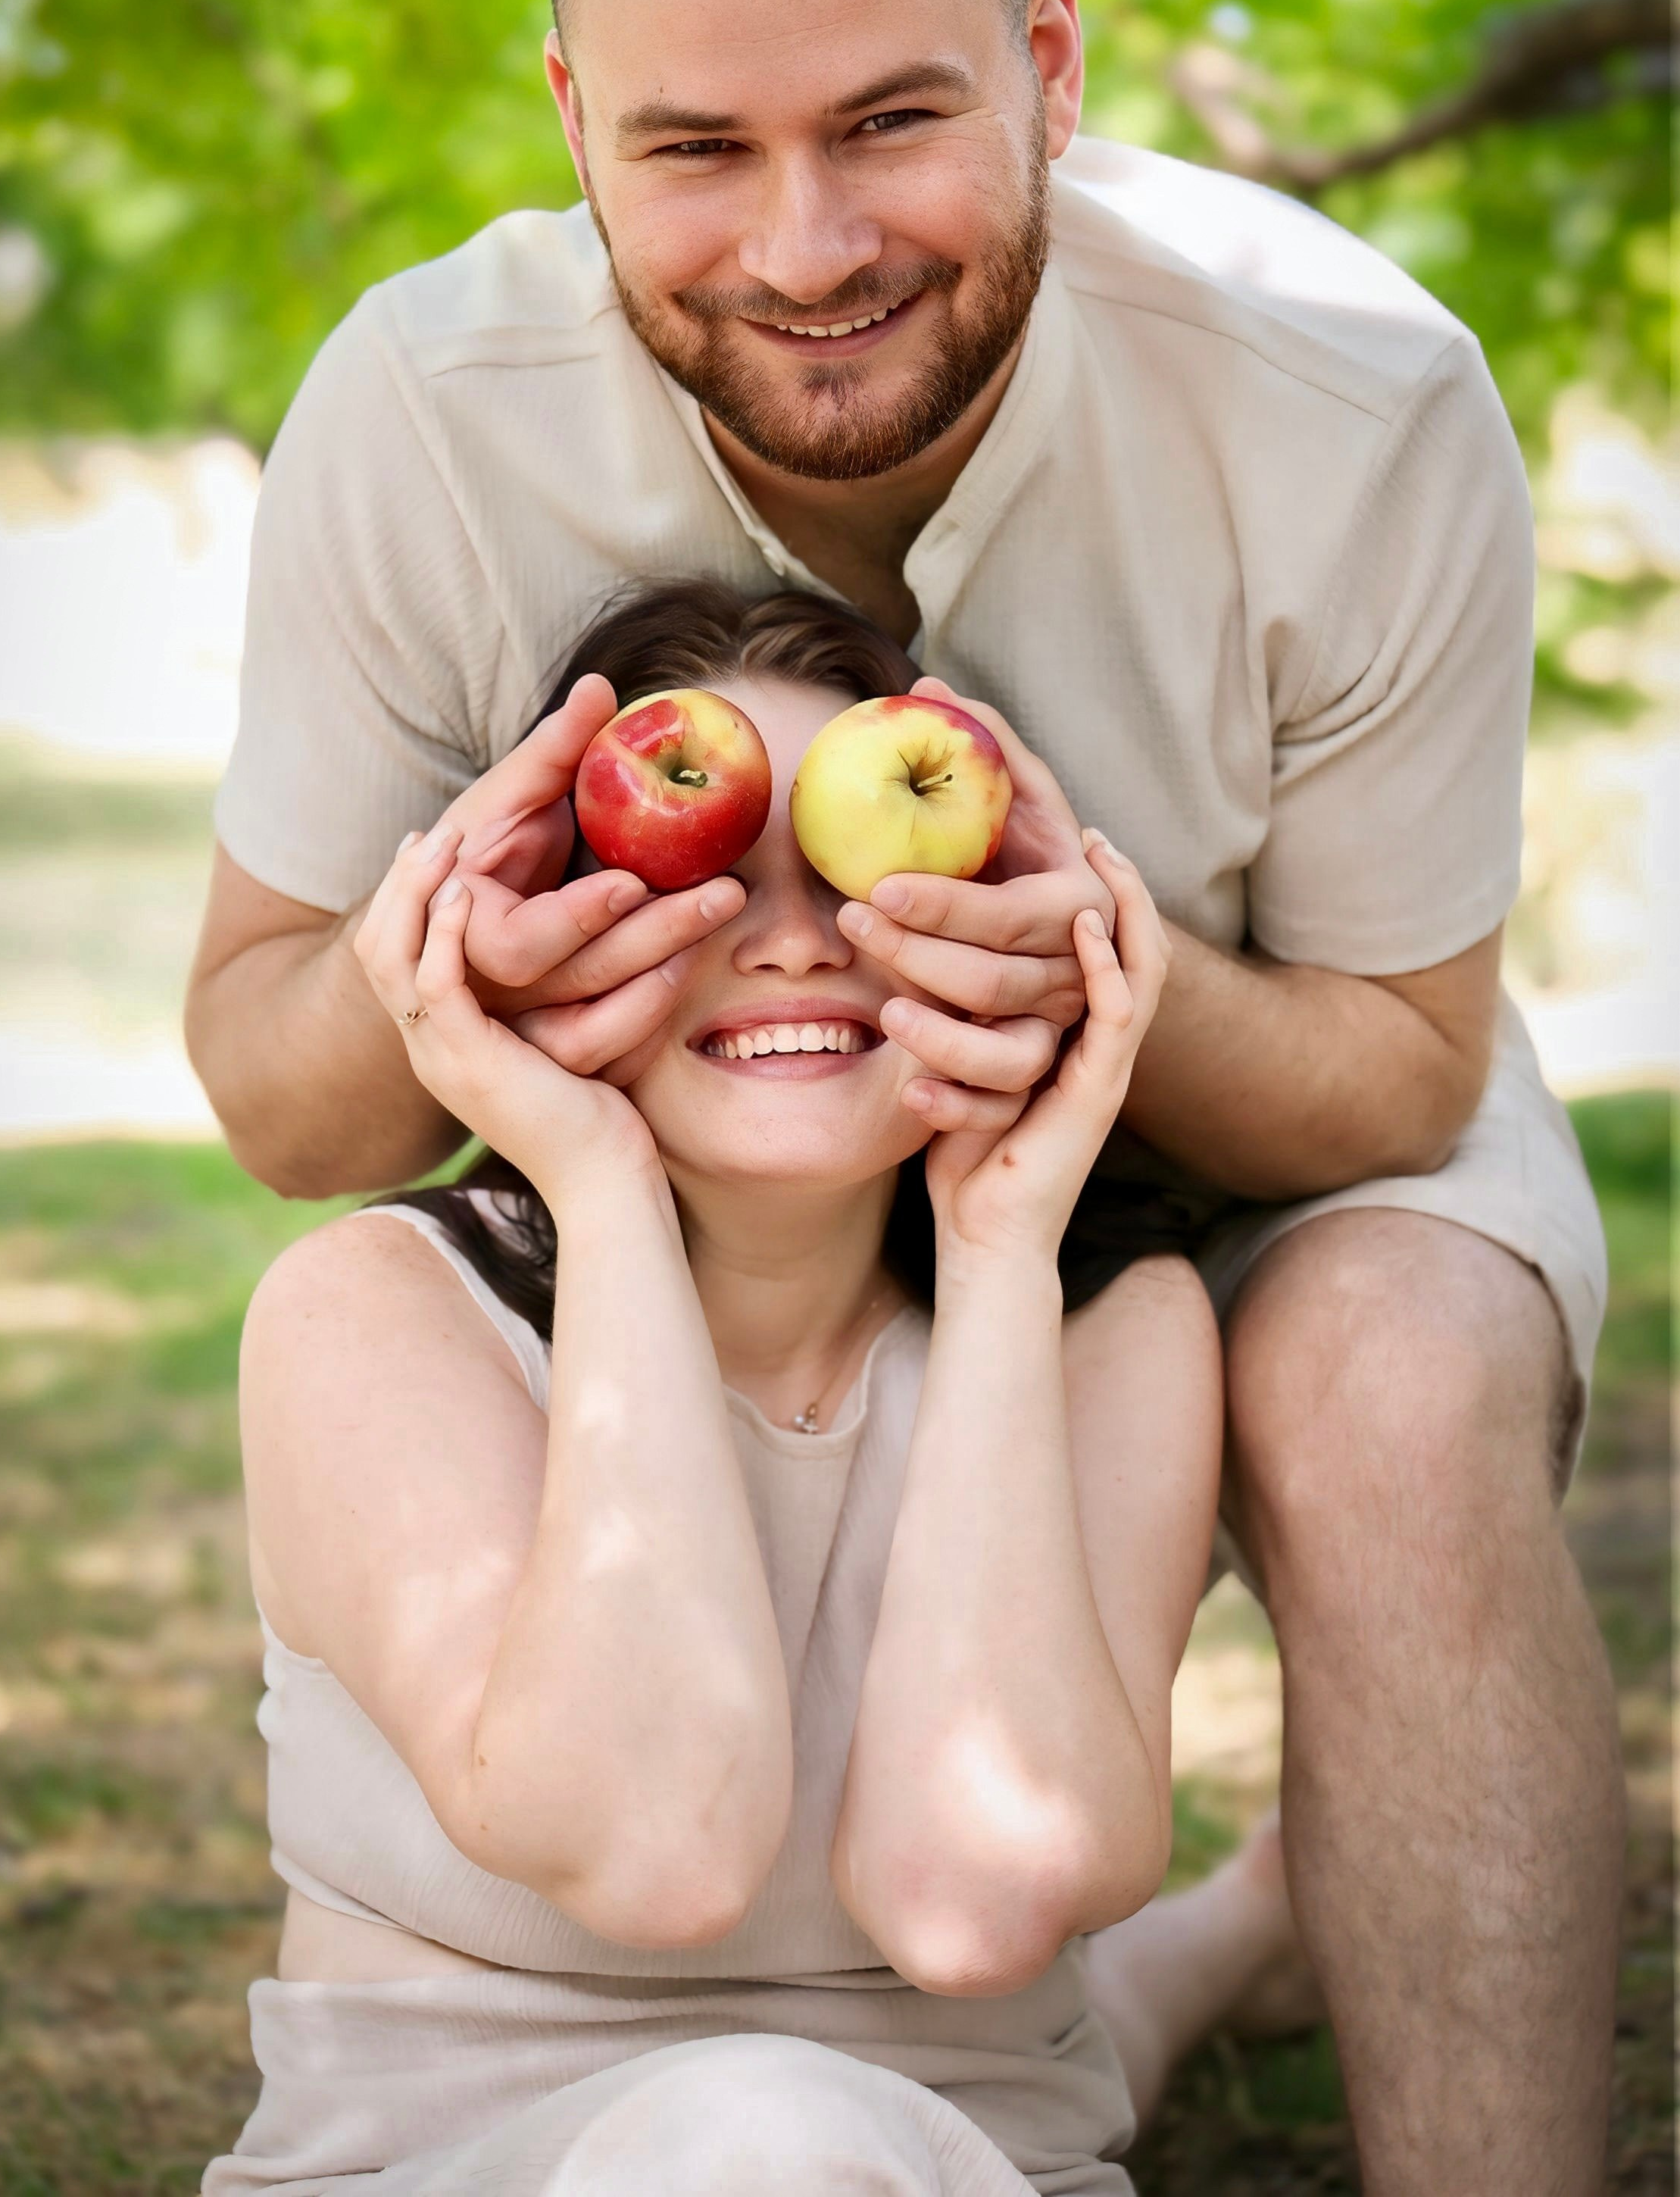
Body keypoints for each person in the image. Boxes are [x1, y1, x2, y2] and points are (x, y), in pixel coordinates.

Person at [187, 0, 1620, 2189]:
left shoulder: (1351, 400)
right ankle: (1202, 1956)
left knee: (1387, 1372)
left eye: (889, 121)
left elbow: (1401, 1072)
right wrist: (447, 960)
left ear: (1048, 59)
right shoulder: (420, 419)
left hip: (1259, 1060)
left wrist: (1098, 999)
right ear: (569, 119)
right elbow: (277, 1083)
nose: (808, 243)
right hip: (690, 1168)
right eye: (694, 147)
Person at [206, 580, 1313, 2196]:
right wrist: (591, 1179)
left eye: (871, 865)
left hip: (955, 2155)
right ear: (554, 934)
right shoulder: (372, 1318)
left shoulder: (1106, 1326)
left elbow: (976, 1902)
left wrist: (1002, 1250)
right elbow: (662, 1847)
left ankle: (1218, 1951)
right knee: (757, 2140)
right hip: (454, 2166)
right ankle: (1229, 1945)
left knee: (803, 2132)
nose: (793, 940)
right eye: (700, 875)